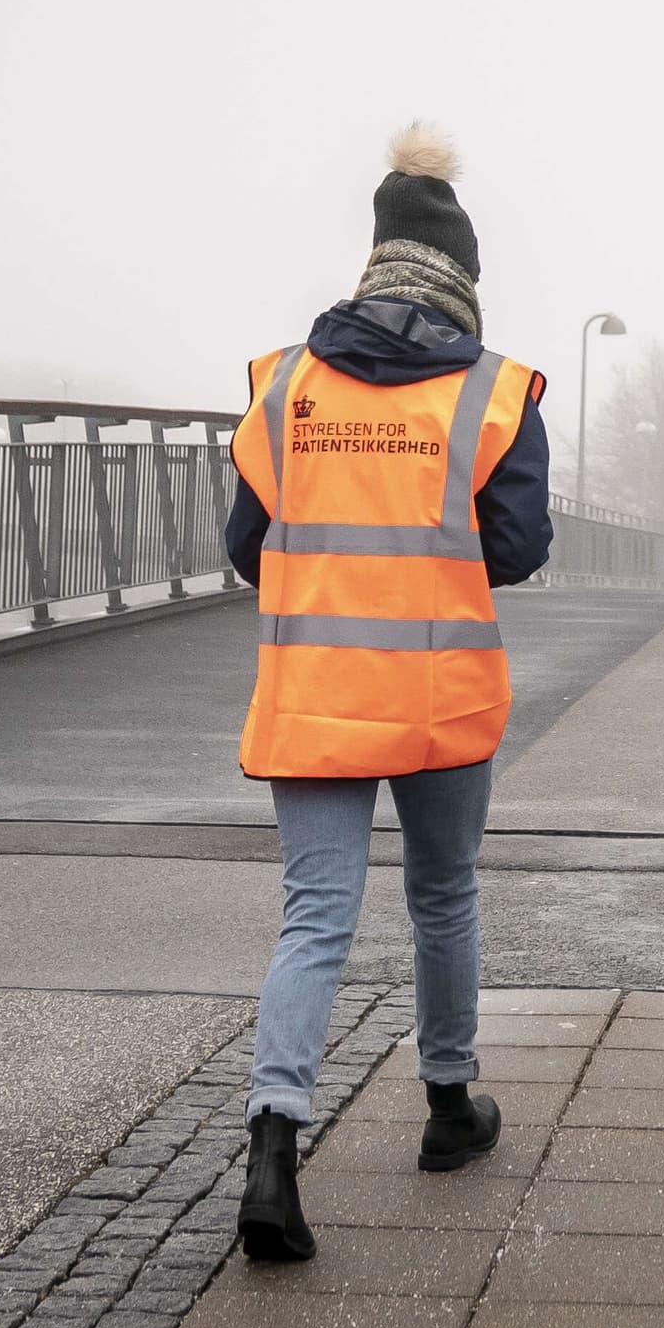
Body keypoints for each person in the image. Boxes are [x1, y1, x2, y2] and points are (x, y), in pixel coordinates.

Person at [227, 122, 553, 1260]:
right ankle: (450, 1108)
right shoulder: (492, 393)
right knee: (442, 896)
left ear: (371, 265)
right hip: (437, 699)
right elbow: (513, 547)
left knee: (315, 916)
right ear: (463, 279)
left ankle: (274, 1146)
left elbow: (244, 543)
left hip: (312, 694)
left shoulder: (282, 387)